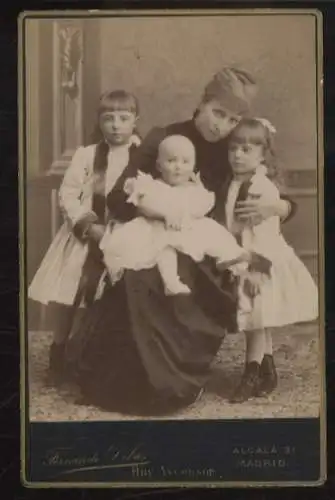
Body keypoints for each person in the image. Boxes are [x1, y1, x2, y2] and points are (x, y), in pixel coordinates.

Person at [66, 67, 297, 415]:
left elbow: (274, 187)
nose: (222, 125)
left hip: (206, 247)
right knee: (139, 281)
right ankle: (130, 380)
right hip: (153, 232)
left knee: (183, 282)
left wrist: (279, 205)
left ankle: (176, 380)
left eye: (232, 119)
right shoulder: (164, 137)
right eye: (218, 113)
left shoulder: (233, 148)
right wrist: (159, 211)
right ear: (201, 104)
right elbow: (117, 198)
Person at [28, 90, 141, 384]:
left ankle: (101, 357)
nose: (116, 125)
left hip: (124, 238)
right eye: (108, 118)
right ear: (99, 122)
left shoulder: (142, 156)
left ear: (135, 121)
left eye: (123, 118)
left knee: (116, 299)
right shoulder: (87, 155)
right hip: (85, 236)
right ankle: (59, 350)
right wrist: (88, 226)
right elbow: (68, 194)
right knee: (70, 296)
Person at [213, 117, 318, 403]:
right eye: (233, 149)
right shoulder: (235, 181)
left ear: (262, 154)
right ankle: (267, 370)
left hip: (260, 258)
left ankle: (250, 373)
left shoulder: (259, 187)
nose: (237, 155)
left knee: (254, 319)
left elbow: (246, 229)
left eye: (247, 150)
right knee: (259, 317)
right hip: (248, 254)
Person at [100, 134, 251, 295]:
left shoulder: (193, 189)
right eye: (171, 161)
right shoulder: (153, 186)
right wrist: (164, 214)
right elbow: (144, 205)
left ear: (193, 166)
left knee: (216, 234)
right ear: (159, 165)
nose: (178, 167)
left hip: (188, 227)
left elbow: (205, 205)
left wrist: (190, 212)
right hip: (157, 228)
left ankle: (229, 258)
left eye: (185, 162)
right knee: (165, 247)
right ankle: (170, 281)